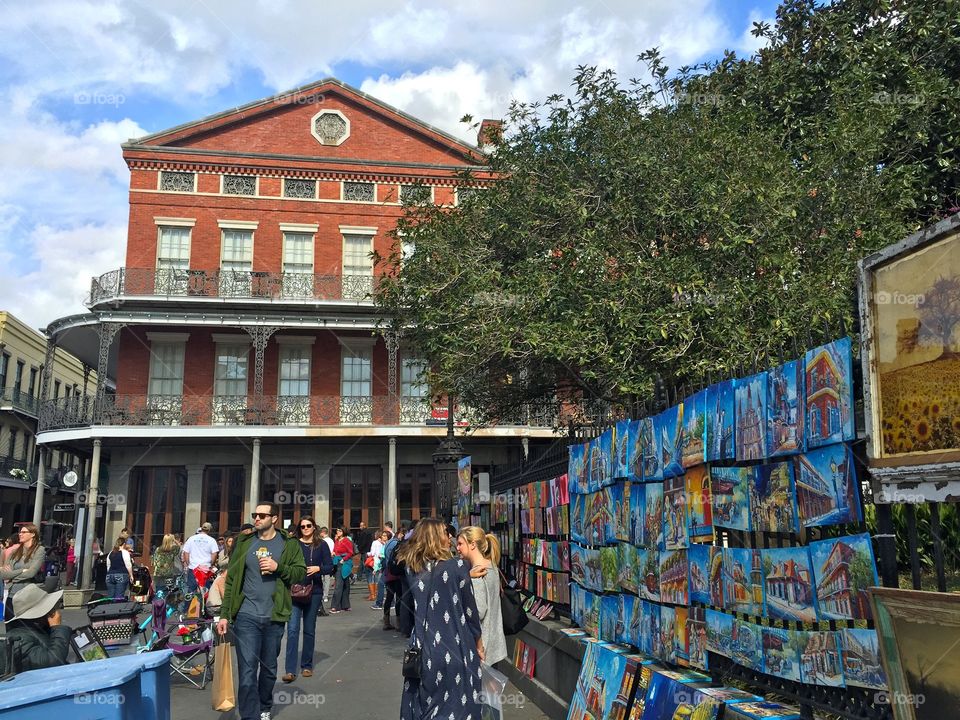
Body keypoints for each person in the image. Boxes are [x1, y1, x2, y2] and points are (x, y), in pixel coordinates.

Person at [217, 502, 306, 720]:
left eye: (262, 515)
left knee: (268, 669)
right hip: (246, 615)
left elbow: (300, 574)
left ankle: (264, 706)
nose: (257, 518)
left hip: (274, 615)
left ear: (274, 518)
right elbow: (231, 582)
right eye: (255, 515)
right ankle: (250, 715)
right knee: (247, 671)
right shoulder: (245, 543)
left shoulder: (288, 543)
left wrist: (279, 568)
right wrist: (225, 615)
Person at [398, 518, 484, 720]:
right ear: (438, 537)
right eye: (446, 533)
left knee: (425, 704)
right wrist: (478, 644)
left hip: (422, 647)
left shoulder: (411, 569)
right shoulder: (458, 567)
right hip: (455, 646)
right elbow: (470, 612)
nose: (450, 537)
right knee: (459, 706)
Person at [282, 516, 332, 682]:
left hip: (314, 591)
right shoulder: (293, 544)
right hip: (295, 591)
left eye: (308, 526)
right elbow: (285, 564)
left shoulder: (321, 545)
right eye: (302, 526)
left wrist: (318, 568)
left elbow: (330, 567)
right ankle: (290, 670)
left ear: (314, 527)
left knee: (309, 630)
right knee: (292, 630)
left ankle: (307, 665)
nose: (305, 529)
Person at [457, 526, 508, 666]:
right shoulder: (491, 565)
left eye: (461, 543)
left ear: (472, 544)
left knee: (481, 688)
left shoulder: (477, 573)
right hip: (494, 644)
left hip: (481, 647)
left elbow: (478, 611)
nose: (457, 548)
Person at [4, 585, 70, 670]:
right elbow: (52, 661)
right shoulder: (20, 639)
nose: (53, 611)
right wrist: (57, 627)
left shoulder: (37, 629)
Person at [1, 523, 45, 619]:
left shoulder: (39, 550)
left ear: (33, 534)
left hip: (27, 595)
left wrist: (12, 577)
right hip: (11, 595)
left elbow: (31, 573)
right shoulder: (14, 552)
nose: (20, 534)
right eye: (20, 532)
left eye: (24, 532)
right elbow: (3, 575)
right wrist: (22, 570)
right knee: (10, 628)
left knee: (24, 629)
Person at [181, 522, 219, 592]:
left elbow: (186, 552)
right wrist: (211, 564)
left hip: (193, 567)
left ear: (201, 528)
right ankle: (202, 602)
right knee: (205, 590)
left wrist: (188, 563)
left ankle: (189, 603)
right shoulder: (212, 540)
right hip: (205, 568)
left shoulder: (191, 538)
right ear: (210, 530)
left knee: (191, 590)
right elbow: (214, 554)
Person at [329, 527, 355, 613]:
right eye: (337, 530)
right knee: (343, 584)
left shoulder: (347, 540)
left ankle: (336, 606)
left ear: (344, 531)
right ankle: (344, 605)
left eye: (340, 530)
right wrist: (333, 553)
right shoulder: (337, 540)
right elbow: (335, 550)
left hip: (344, 563)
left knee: (340, 585)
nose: (338, 532)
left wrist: (343, 559)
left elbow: (351, 552)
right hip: (337, 563)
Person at [368, 529, 389, 610]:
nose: (382, 537)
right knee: (386, 584)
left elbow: (383, 555)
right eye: (382, 535)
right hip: (382, 566)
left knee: (380, 583)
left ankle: (379, 603)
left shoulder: (386, 544)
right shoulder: (383, 544)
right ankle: (391, 602)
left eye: (384, 536)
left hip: (384, 566)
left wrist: (376, 567)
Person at [355, 521, 373, 596]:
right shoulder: (368, 532)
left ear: (364, 526)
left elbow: (362, 542)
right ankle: (361, 576)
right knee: (363, 563)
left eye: (361, 525)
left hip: (364, 550)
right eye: (360, 525)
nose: (360, 527)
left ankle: (361, 576)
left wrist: (359, 548)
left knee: (364, 563)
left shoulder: (363, 533)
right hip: (367, 549)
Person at [318, 527, 335, 603]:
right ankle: (326, 596)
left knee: (322, 578)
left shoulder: (322, 541)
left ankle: (322, 594)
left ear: (323, 532)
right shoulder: (331, 541)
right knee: (327, 579)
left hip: (322, 561)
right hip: (329, 560)